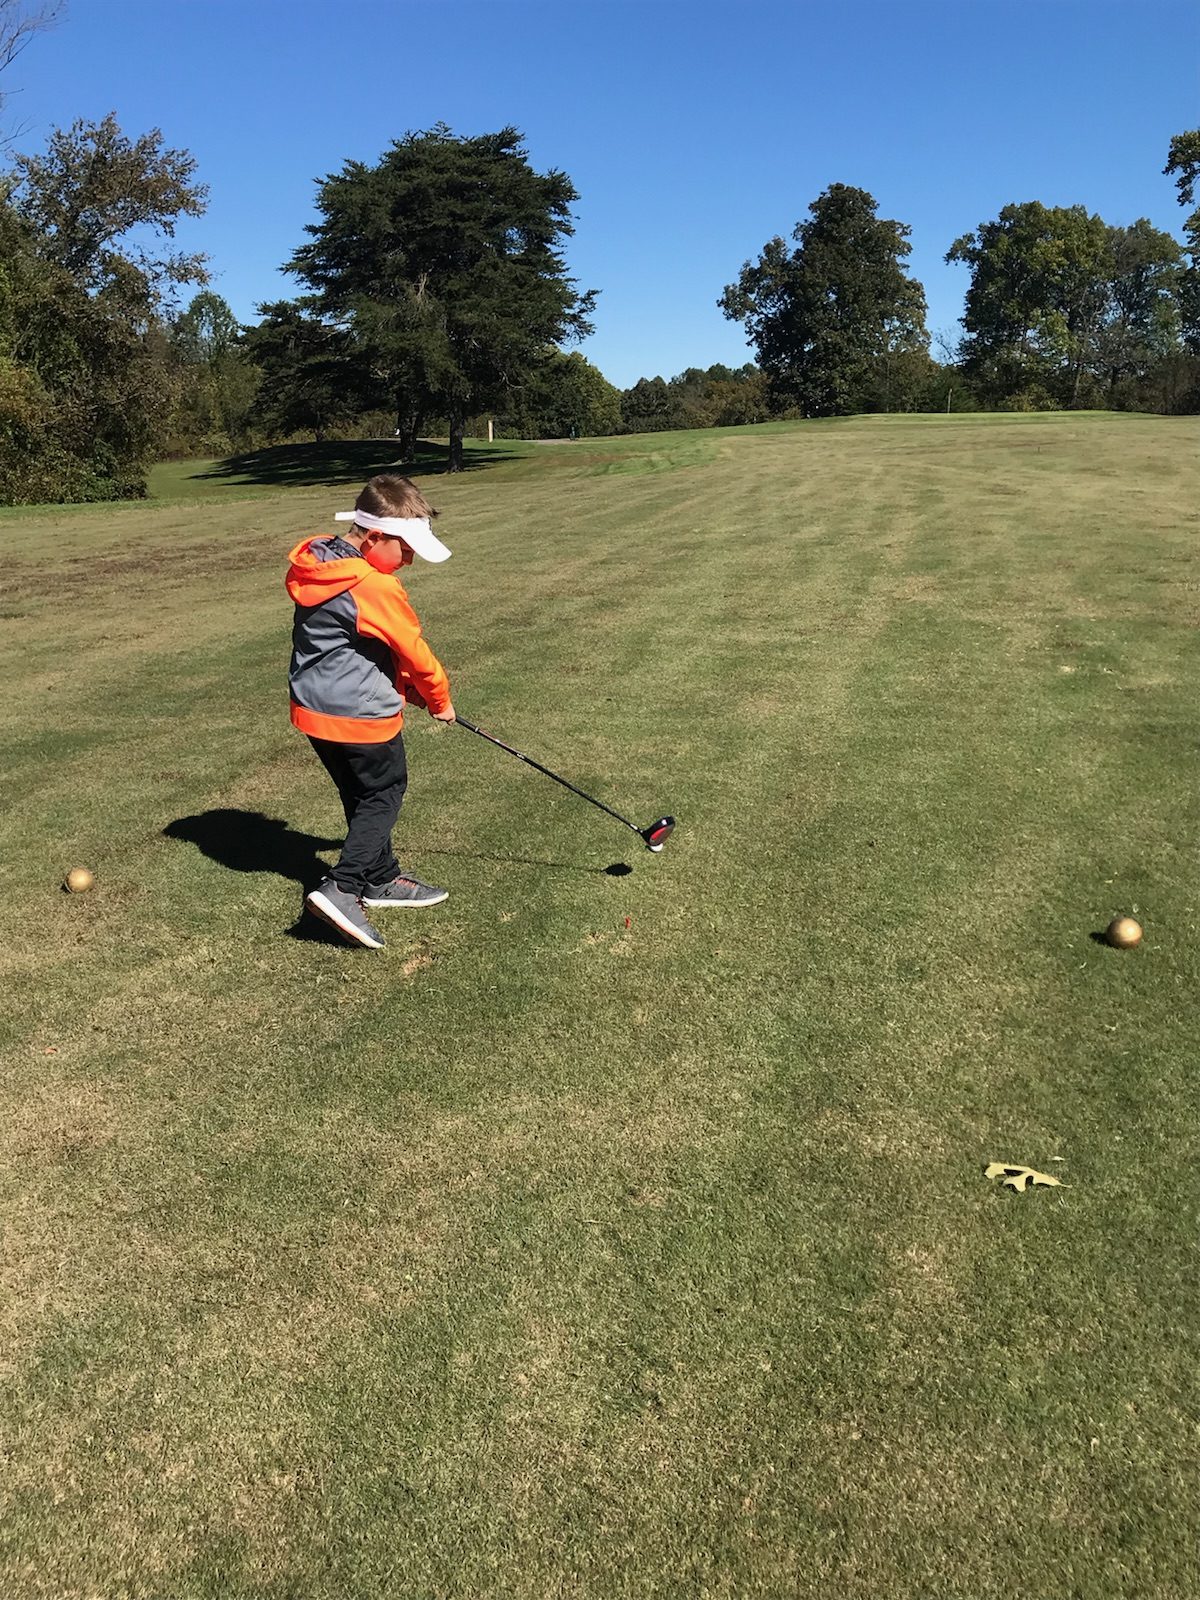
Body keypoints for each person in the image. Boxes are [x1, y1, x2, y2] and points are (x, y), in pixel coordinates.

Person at [285, 474, 456, 949]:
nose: (412, 557)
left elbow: (357, 644)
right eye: (406, 547)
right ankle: (343, 886)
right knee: (384, 792)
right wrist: (438, 700)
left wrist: (404, 684)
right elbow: (416, 653)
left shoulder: (321, 560)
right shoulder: (374, 585)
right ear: (375, 536)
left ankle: (380, 877)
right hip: (359, 715)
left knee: (360, 793)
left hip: (315, 710)